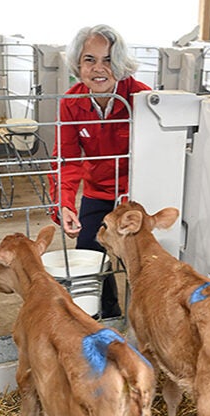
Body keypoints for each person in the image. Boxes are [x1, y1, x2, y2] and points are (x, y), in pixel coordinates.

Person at [47, 24, 152, 319]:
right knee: (89, 257)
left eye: (107, 59)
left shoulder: (143, 98)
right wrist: (65, 204)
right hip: (98, 191)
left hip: (139, 193)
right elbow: (66, 160)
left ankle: (148, 318)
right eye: (89, 60)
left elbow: (159, 155)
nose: (98, 68)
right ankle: (105, 316)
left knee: (146, 258)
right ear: (78, 66)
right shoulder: (71, 102)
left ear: (120, 62)